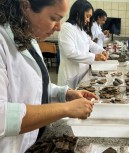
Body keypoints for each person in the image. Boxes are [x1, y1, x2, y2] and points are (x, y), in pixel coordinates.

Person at [0, 0, 98, 152]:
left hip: (32, 142)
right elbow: (2, 116)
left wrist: (65, 93)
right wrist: (64, 109)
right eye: (54, 18)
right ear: (25, 6)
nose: (59, 27)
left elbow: (34, 84)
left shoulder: (28, 37)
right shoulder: (2, 41)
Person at [58, 0, 109, 89]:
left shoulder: (80, 29)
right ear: (78, 13)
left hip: (82, 75)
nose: (88, 20)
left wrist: (103, 50)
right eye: (87, 16)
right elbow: (70, 53)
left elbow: (91, 44)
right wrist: (94, 57)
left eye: (90, 17)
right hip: (70, 76)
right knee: (71, 100)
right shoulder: (66, 28)